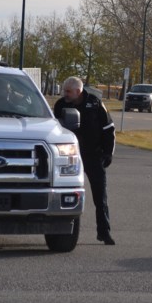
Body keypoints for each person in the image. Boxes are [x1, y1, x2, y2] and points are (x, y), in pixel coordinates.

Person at [53, 76, 116, 245]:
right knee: (64, 194)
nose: (64, 94)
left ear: (78, 91)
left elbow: (109, 130)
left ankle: (104, 232)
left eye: (68, 91)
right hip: (69, 156)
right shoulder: (60, 105)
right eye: (64, 91)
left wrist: (108, 153)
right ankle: (62, 232)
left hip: (93, 156)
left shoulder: (95, 104)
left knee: (100, 196)